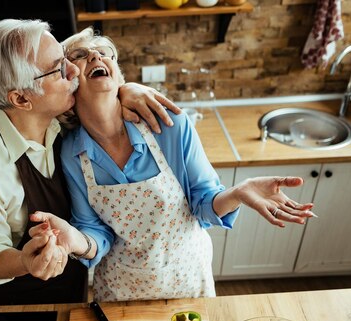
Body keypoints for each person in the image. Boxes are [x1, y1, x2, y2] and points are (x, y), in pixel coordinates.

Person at [29, 28, 316, 302]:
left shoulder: (168, 125)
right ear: (69, 83)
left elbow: (203, 203)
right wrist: (75, 240)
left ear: (120, 79)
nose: (96, 57)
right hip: (120, 290)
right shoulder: (71, 153)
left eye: (104, 53)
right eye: (80, 55)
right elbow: (95, 230)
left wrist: (238, 192)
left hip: (188, 282)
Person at [0, 20, 181, 305]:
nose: (73, 71)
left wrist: (126, 89)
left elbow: (99, 89)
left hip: (76, 276)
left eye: (65, 59)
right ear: (21, 98)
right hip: (24, 297)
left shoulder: (63, 115)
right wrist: (26, 260)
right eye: (59, 68)